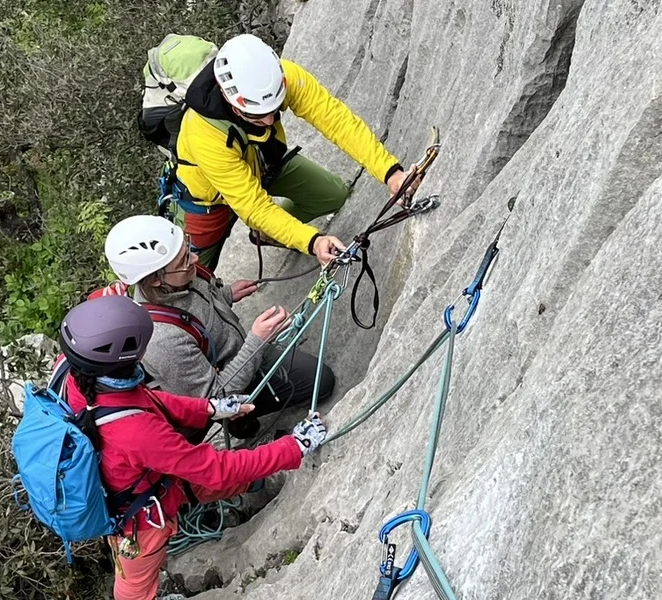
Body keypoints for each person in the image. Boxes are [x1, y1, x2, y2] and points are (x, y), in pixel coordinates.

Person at [56, 297, 329, 600]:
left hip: (147, 480)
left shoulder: (84, 377)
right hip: (139, 520)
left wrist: (209, 408)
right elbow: (215, 469)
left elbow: (146, 400)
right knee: (135, 585)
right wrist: (294, 447)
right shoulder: (136, 433)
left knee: (203, 481)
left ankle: (260, 481)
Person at [173, 34, 412, 269]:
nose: (268, 121)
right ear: (228, 97)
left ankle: (267, 235)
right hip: (209, 199)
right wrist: (311, 240)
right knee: (191, 272)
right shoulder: (203, 133)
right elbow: (253, 206)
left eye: (274, 109)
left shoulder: (284, 76)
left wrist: (390, 172)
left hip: (264, 163)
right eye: (256, 115)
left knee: (332, 194)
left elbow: (337, 121)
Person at [102, 215, 336, 439]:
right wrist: (257, 342)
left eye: (187, 249)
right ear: (155, 279)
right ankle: (244, 421)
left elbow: (198, 306)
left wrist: (226, 294)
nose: (194, 259)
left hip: (241, 353)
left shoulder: (178, 277)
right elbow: (215, 399)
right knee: (322, 381)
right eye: (184, 260)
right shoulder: (162, 340)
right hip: (232, 381)